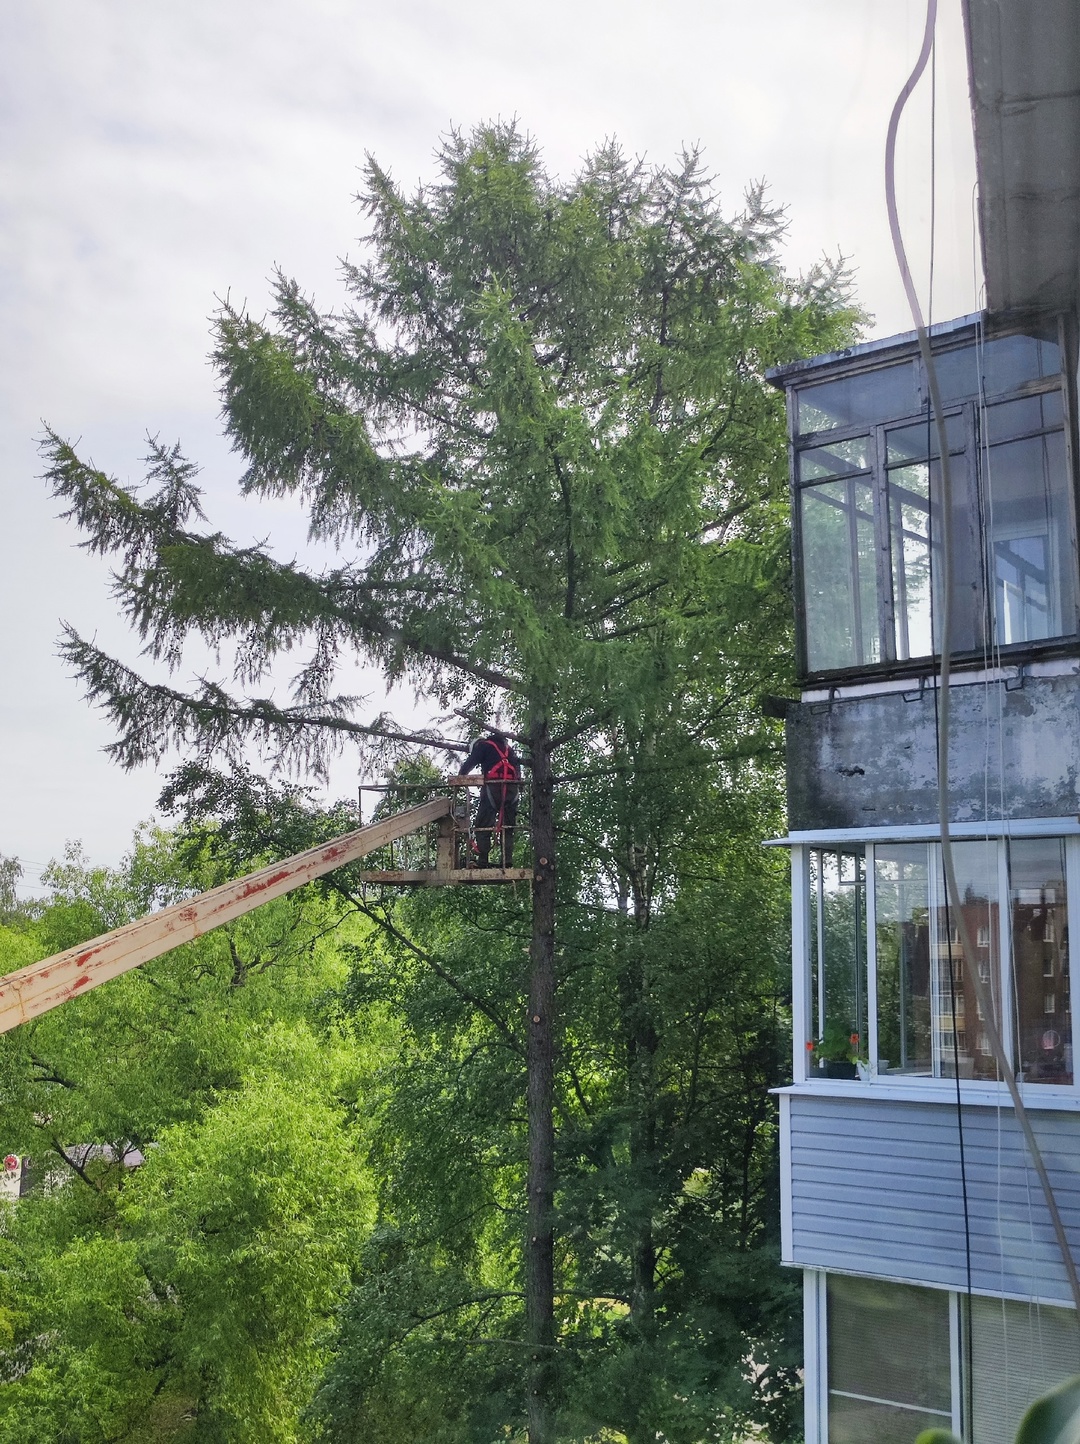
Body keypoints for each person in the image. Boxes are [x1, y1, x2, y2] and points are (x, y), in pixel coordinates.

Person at [460, 730, 521, 868]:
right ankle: (507, 861)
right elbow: (517, 769)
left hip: (494, 788)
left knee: (483, 824)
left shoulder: (483, 746)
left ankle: (483, 861)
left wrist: (460, 777)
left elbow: (468, 764)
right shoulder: (509, 750)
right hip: (512, 790)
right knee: (508, 826)